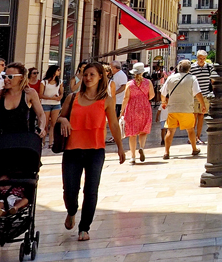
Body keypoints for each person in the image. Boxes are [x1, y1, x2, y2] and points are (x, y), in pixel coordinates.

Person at [54, 61, 124, 241]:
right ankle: (71, 211)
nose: (87, 78)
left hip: (95, 150)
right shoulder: (73, 97)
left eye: (92, 75)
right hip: (72, 149)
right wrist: (63, 121)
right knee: (70, 189)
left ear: (101, 76)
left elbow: (114, 124)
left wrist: (120, 147)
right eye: (85, 74)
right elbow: (61, 116)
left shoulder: (106, 100)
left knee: (91, 190)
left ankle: (84, 228)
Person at [0, 62, 46, 142]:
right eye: (4, 76)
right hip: (2, 138)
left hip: (24, 139)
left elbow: (41, 114)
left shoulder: (29, 93)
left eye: (10, 77)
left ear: (21, 78)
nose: (6, 79)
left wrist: (41, 128)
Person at [161, 60, 206, 159]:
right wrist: (203, 104)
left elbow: (163, 92)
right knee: (190, 130)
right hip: (187, 108)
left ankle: (166, 152)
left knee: (170, 131)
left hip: (173, 108)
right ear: (189, 69)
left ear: (178, 68)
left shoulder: (170, 78)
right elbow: (197, 93)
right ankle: (194, 149)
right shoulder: (192, 78)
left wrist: (164, 102)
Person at [122, 62, 153, 164]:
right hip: (145, 107)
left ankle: (133, 157)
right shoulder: (148, 82)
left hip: (132, 108)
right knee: (143, 131)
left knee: (132, 133)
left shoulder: (129, 84)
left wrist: (122, 111)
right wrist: (144, 98)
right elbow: (152, 95)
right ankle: (142, 147)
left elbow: (126, 98)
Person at [188, 51, 213, 146]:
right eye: (200, 58)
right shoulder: (192, 68)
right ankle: (191, 137)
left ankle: (198, 136)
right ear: (197, 58)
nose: (202, 60)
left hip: (205, 95)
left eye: (203, 58)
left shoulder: (209, 67)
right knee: (193, 117)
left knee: (201, 116)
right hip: (194, 96)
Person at [39, 65, 63, 148]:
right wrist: (51, 98)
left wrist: (60, 97)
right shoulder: (44, 82)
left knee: (53, 123)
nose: (59, 72)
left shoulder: (59, 81)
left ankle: (51, 142)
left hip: (56, 104)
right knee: (45, 124)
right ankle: (42, 141)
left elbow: (61, 92)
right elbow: (40, 95)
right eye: (58, 70)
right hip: (45, 103)